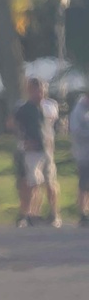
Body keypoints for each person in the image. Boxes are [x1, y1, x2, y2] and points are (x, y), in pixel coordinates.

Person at [13, 77, 61, 227]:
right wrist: (23, 141)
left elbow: (51, 127)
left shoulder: (49, 106)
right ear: (29, 90)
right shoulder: (24, 108)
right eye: (35, 89)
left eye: (41, 89)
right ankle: (27, 214)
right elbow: (14, 124)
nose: (39, 93)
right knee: (32, 183)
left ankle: (54, 214)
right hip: (32, 151)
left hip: (46, 150)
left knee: (50, 182)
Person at [69, 91, 89, 227]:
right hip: (84, 154)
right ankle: (82, 213)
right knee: (84, 184)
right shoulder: (78, 111)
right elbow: (75, 131)